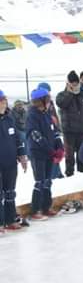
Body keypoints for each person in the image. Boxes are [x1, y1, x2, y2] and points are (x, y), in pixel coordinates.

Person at [25, 88, 63, 220]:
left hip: (49, 153)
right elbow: (36, 136)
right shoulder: (32, 115)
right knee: (40, 181)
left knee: (48, 181)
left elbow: (55, 132)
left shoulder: (47, 114)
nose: (49, 101)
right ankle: (36, 210)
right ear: (40, 101)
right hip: (38, 153)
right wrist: (51, 150)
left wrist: (60, 147)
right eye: (47, 99)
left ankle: (46, 207)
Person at [0, 90, 28, 233]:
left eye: (4, 100)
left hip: (10, 163)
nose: (4, 103)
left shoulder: (9, 119)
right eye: (1, 101)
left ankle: (10, 220)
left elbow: (17, 139)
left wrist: (22, 155)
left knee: (10, 193)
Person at [56, 70, 83, 176]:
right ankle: (70, 175)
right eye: (73, 83)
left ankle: (82, 173)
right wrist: (70, 93)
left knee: (82, 154)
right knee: (69, 156)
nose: (75, 86)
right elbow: (62, 104)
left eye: (77, 83)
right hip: (69, 131)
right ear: (68, 83)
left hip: (82, 130)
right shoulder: (62, 95)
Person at [38, 82, 64, 179]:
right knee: (50, 153)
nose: (48, 93)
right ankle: (51, 175)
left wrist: (57, 127)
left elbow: (54, 115)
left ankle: (58, 173)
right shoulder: (38, 103)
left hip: (52, 129)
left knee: (57, 151)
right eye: (47, 92)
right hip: (44, 133)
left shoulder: (50, 102)